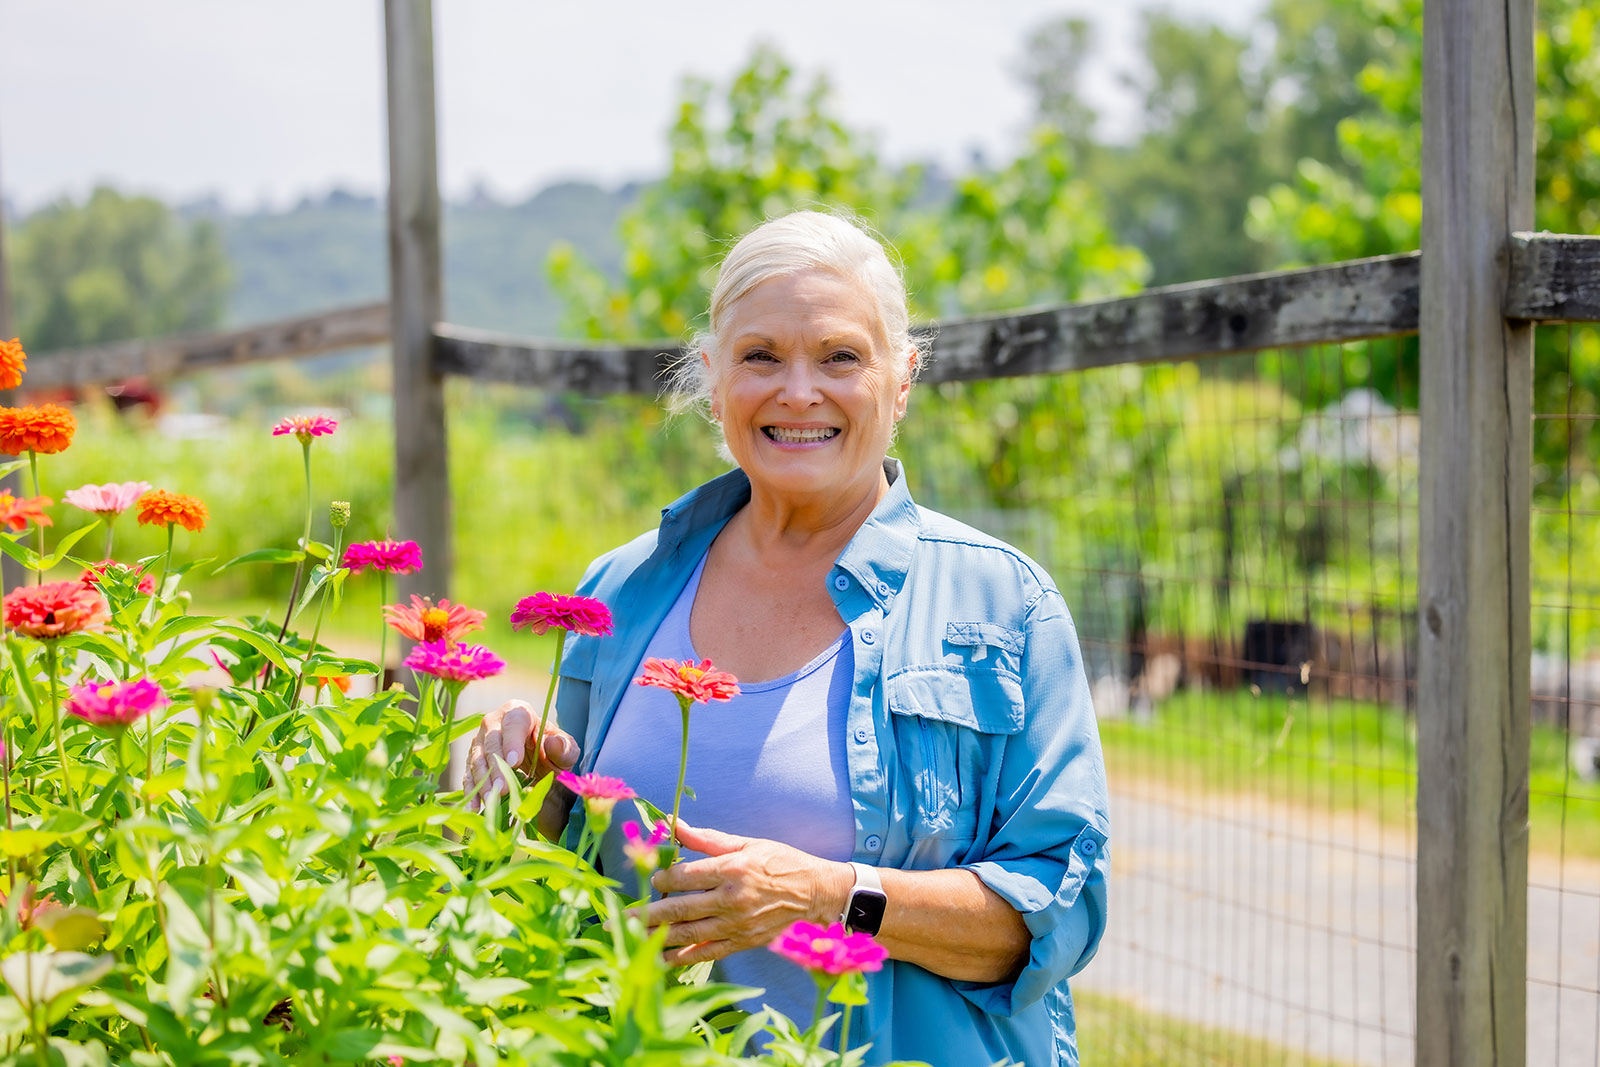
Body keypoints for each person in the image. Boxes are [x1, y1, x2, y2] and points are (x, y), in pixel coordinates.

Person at [465, 210, 1109, 1067]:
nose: (798, 391)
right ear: (712, 377)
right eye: (760, 355)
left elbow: (1055, 917)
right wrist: (523, 789)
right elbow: (556, 870)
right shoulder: (622, 587)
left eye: (841, 356)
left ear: (903, 378)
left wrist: (830, 896)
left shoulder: (1004, 606)